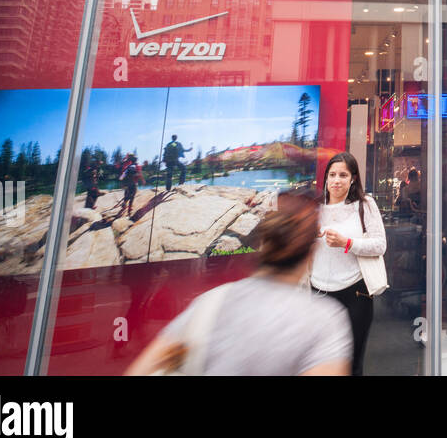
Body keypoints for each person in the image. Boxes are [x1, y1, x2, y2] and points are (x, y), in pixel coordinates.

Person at [125, 190, 351, 375]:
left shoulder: (209, 302)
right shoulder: (322, 321)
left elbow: (141, 370)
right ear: (311, 251)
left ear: (263, 242)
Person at [310, 151, 386, 376]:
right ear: (325, 178)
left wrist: (348, 243)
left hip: (356, 293)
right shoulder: (315, 208)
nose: (336, 180)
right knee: (320, 359)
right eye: (332, 174)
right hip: (318, 292)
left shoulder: (365, 205)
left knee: (351, 363)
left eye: (343, 175)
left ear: (353, 178)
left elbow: (380, 245)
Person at [116, 153, 144, 218]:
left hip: (127, 184)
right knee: (132, 196)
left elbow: (122, 176)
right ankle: (129, 209)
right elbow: (139, 174)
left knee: (127, 193)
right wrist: (142, 180)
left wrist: (122, 181)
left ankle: (125, 203)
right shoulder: (137, 166)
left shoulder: (128, 166)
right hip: (134, 183)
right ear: (136, 160)